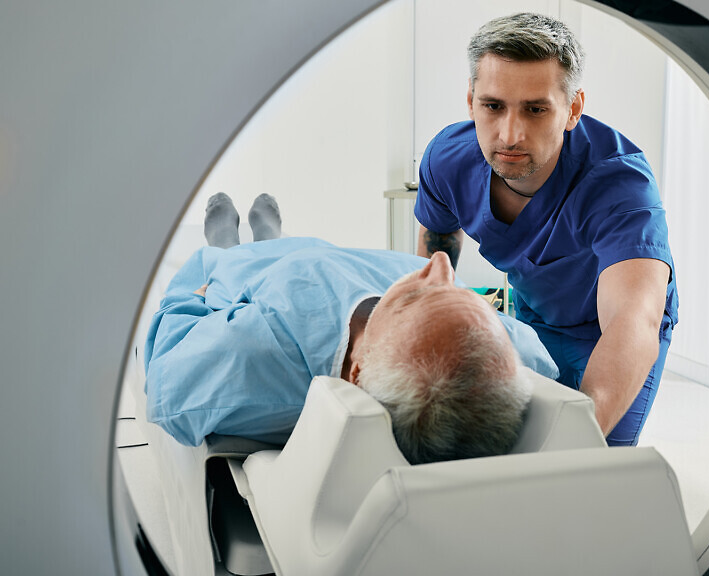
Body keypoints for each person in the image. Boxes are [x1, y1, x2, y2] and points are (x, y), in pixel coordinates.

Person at [414, 13, 678, 446]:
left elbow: (633, 318)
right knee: (502, 438)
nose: (510, 134)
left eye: (536, 109)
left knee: (589, 457)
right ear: (471, 100)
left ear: (572, 109)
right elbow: (436, 250)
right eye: (493, 106)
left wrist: (574, 446)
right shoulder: (448, 159)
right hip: (536, 315)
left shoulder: (619, 185)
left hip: (610, 330)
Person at [144, 193, 558, 465]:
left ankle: (224, 243)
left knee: (228, 259)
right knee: (292, 243)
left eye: (416, 299)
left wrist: (192, 299)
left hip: (256, 281)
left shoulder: (258, 356)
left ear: (356, 372)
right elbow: (539, 360)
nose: (441, 264)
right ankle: (272, 235)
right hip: (338, 259)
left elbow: (166, 382)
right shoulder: (517, 355)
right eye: (458, 293)